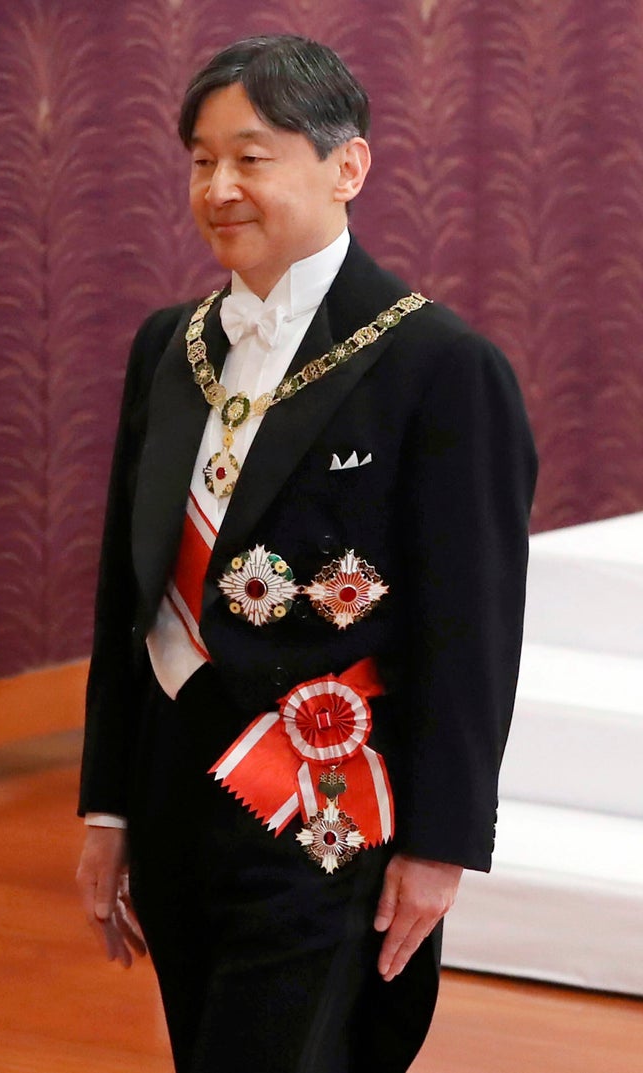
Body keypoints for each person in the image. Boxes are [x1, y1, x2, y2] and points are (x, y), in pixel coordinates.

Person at [76, 34, 537, 1073]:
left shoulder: (440, 364)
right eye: (200, 159)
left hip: (326, 807)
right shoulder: (170, 343)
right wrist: (107, 805)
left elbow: (474, 629)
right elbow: (127, 590)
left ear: (348, 167)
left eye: (252, 154)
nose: (219, 186)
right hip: (173, 793)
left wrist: (442, 844)